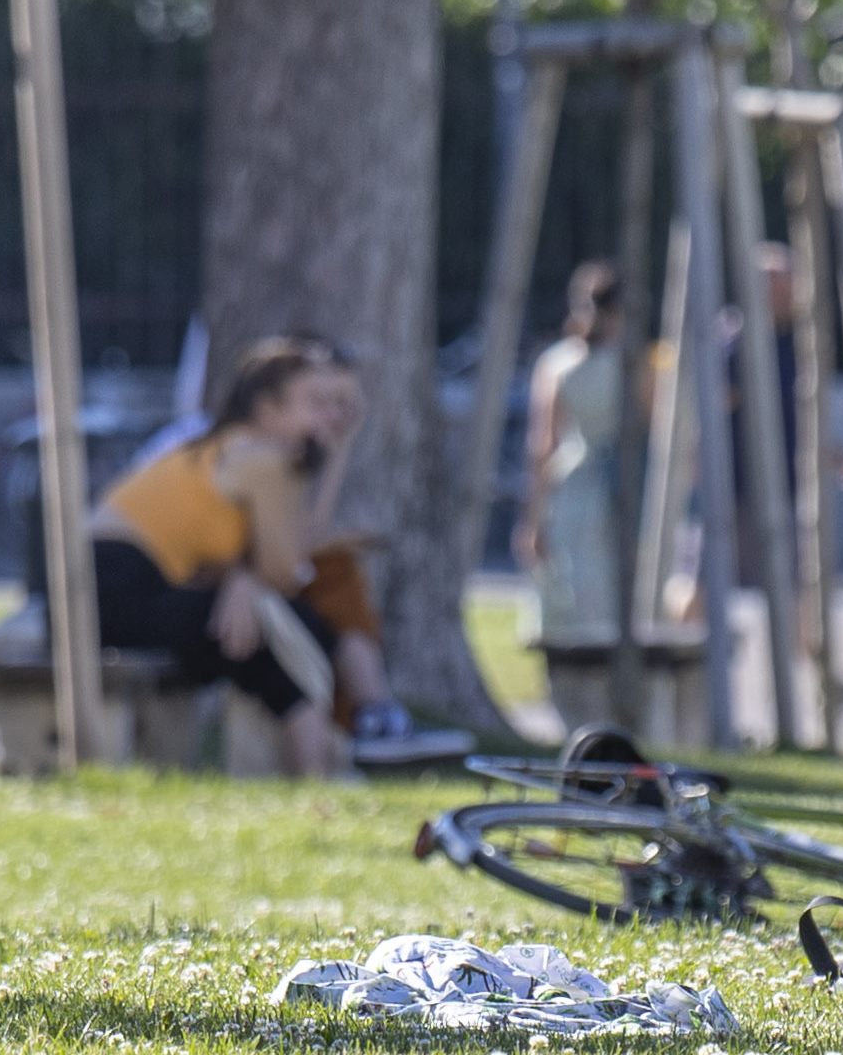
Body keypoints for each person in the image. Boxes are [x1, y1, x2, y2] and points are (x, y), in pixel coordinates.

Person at [82, 337, 459, 776]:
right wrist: (247, 580)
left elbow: (279, 553)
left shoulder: (231, 447)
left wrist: (244, 578)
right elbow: (283, 570)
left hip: (106, 590)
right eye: (317, 403)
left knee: (284, 635)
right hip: (115, 591)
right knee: (293, 631)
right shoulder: (264, 459)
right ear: (267, 410)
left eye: (338, 404)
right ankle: (327, 765)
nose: (333, 416)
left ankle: (326, 760)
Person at [518, 263, 636, 734]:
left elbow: (540, 448)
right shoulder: (636, 362)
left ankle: (577, 715)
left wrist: (531, 518)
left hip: (578, 493)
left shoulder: (559, 362)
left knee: (572, 602)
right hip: (608, 493)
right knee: (595, 600)